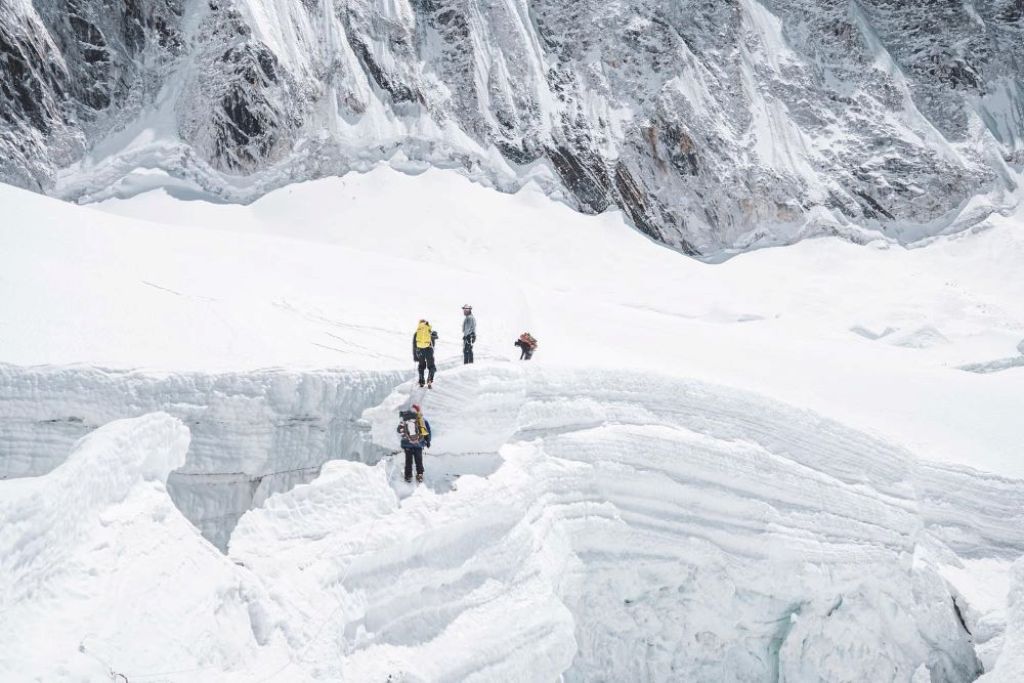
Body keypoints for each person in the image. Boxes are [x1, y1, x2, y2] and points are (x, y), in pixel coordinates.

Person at [397, 404, 431, 482]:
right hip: (418, 443)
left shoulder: (404, 420)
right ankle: (419, 475)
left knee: (408, 460)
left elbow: (398, 430)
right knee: (419, 460)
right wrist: (428, 441)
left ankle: (408, 476)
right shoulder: (421, 420)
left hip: (407, 444)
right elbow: (427, 430)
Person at [413, 319, 438, 387]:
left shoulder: (417, 332)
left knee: (421, 366)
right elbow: (436, 337)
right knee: (431, 365)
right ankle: (430, 379)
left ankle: (421, 381)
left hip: (420, 350)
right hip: (429, 350)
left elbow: (415, 344)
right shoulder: (429, 331)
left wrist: (415, 356)